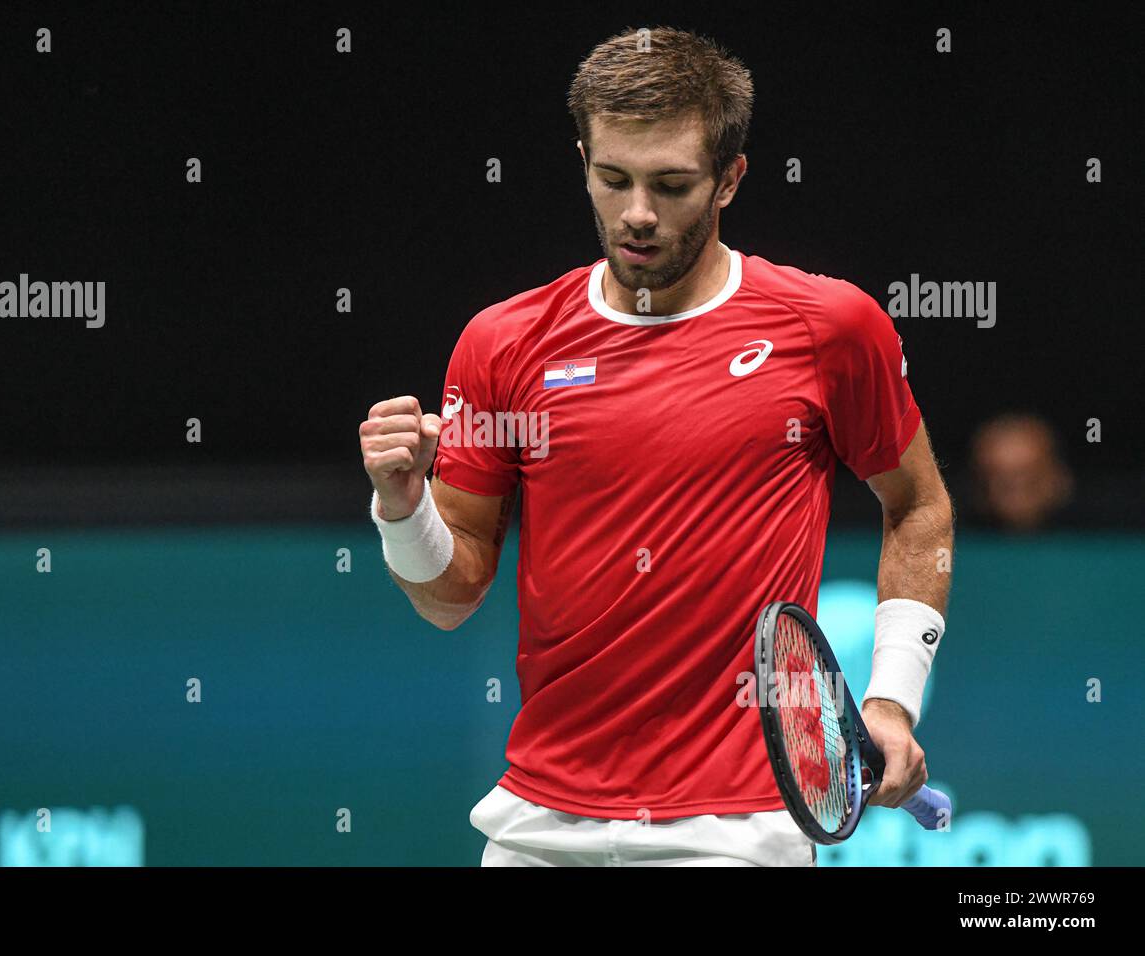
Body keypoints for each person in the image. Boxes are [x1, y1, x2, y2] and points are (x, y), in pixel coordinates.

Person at [359, 27, 954, 866]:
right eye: (614, 179)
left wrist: (892, 700)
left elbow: (918, 504)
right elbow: (449, 596)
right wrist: (401, 507)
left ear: (731, 180)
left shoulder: (828, 328)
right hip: (537, 823)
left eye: (672, 185)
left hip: (738, 831)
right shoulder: (503, 343)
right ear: (584, 163)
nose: (638, 213)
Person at [967, 413, 1074, 532]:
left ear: (1060, 479)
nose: (1017, 497)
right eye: (1004, 484)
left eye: (1031, 481)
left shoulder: (1089, 533)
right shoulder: (950, 541)